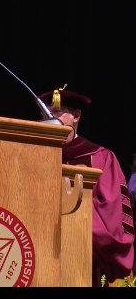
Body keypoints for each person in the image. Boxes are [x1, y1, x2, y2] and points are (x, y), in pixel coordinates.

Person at [39, 85, 134, 286]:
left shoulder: (100, 157)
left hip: (84, 258)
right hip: (40, 251)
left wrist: (77, 216)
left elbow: (113, 213)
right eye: (47, 112)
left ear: (76, 116)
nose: (51, 116)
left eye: (58, 111)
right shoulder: (34, 156)